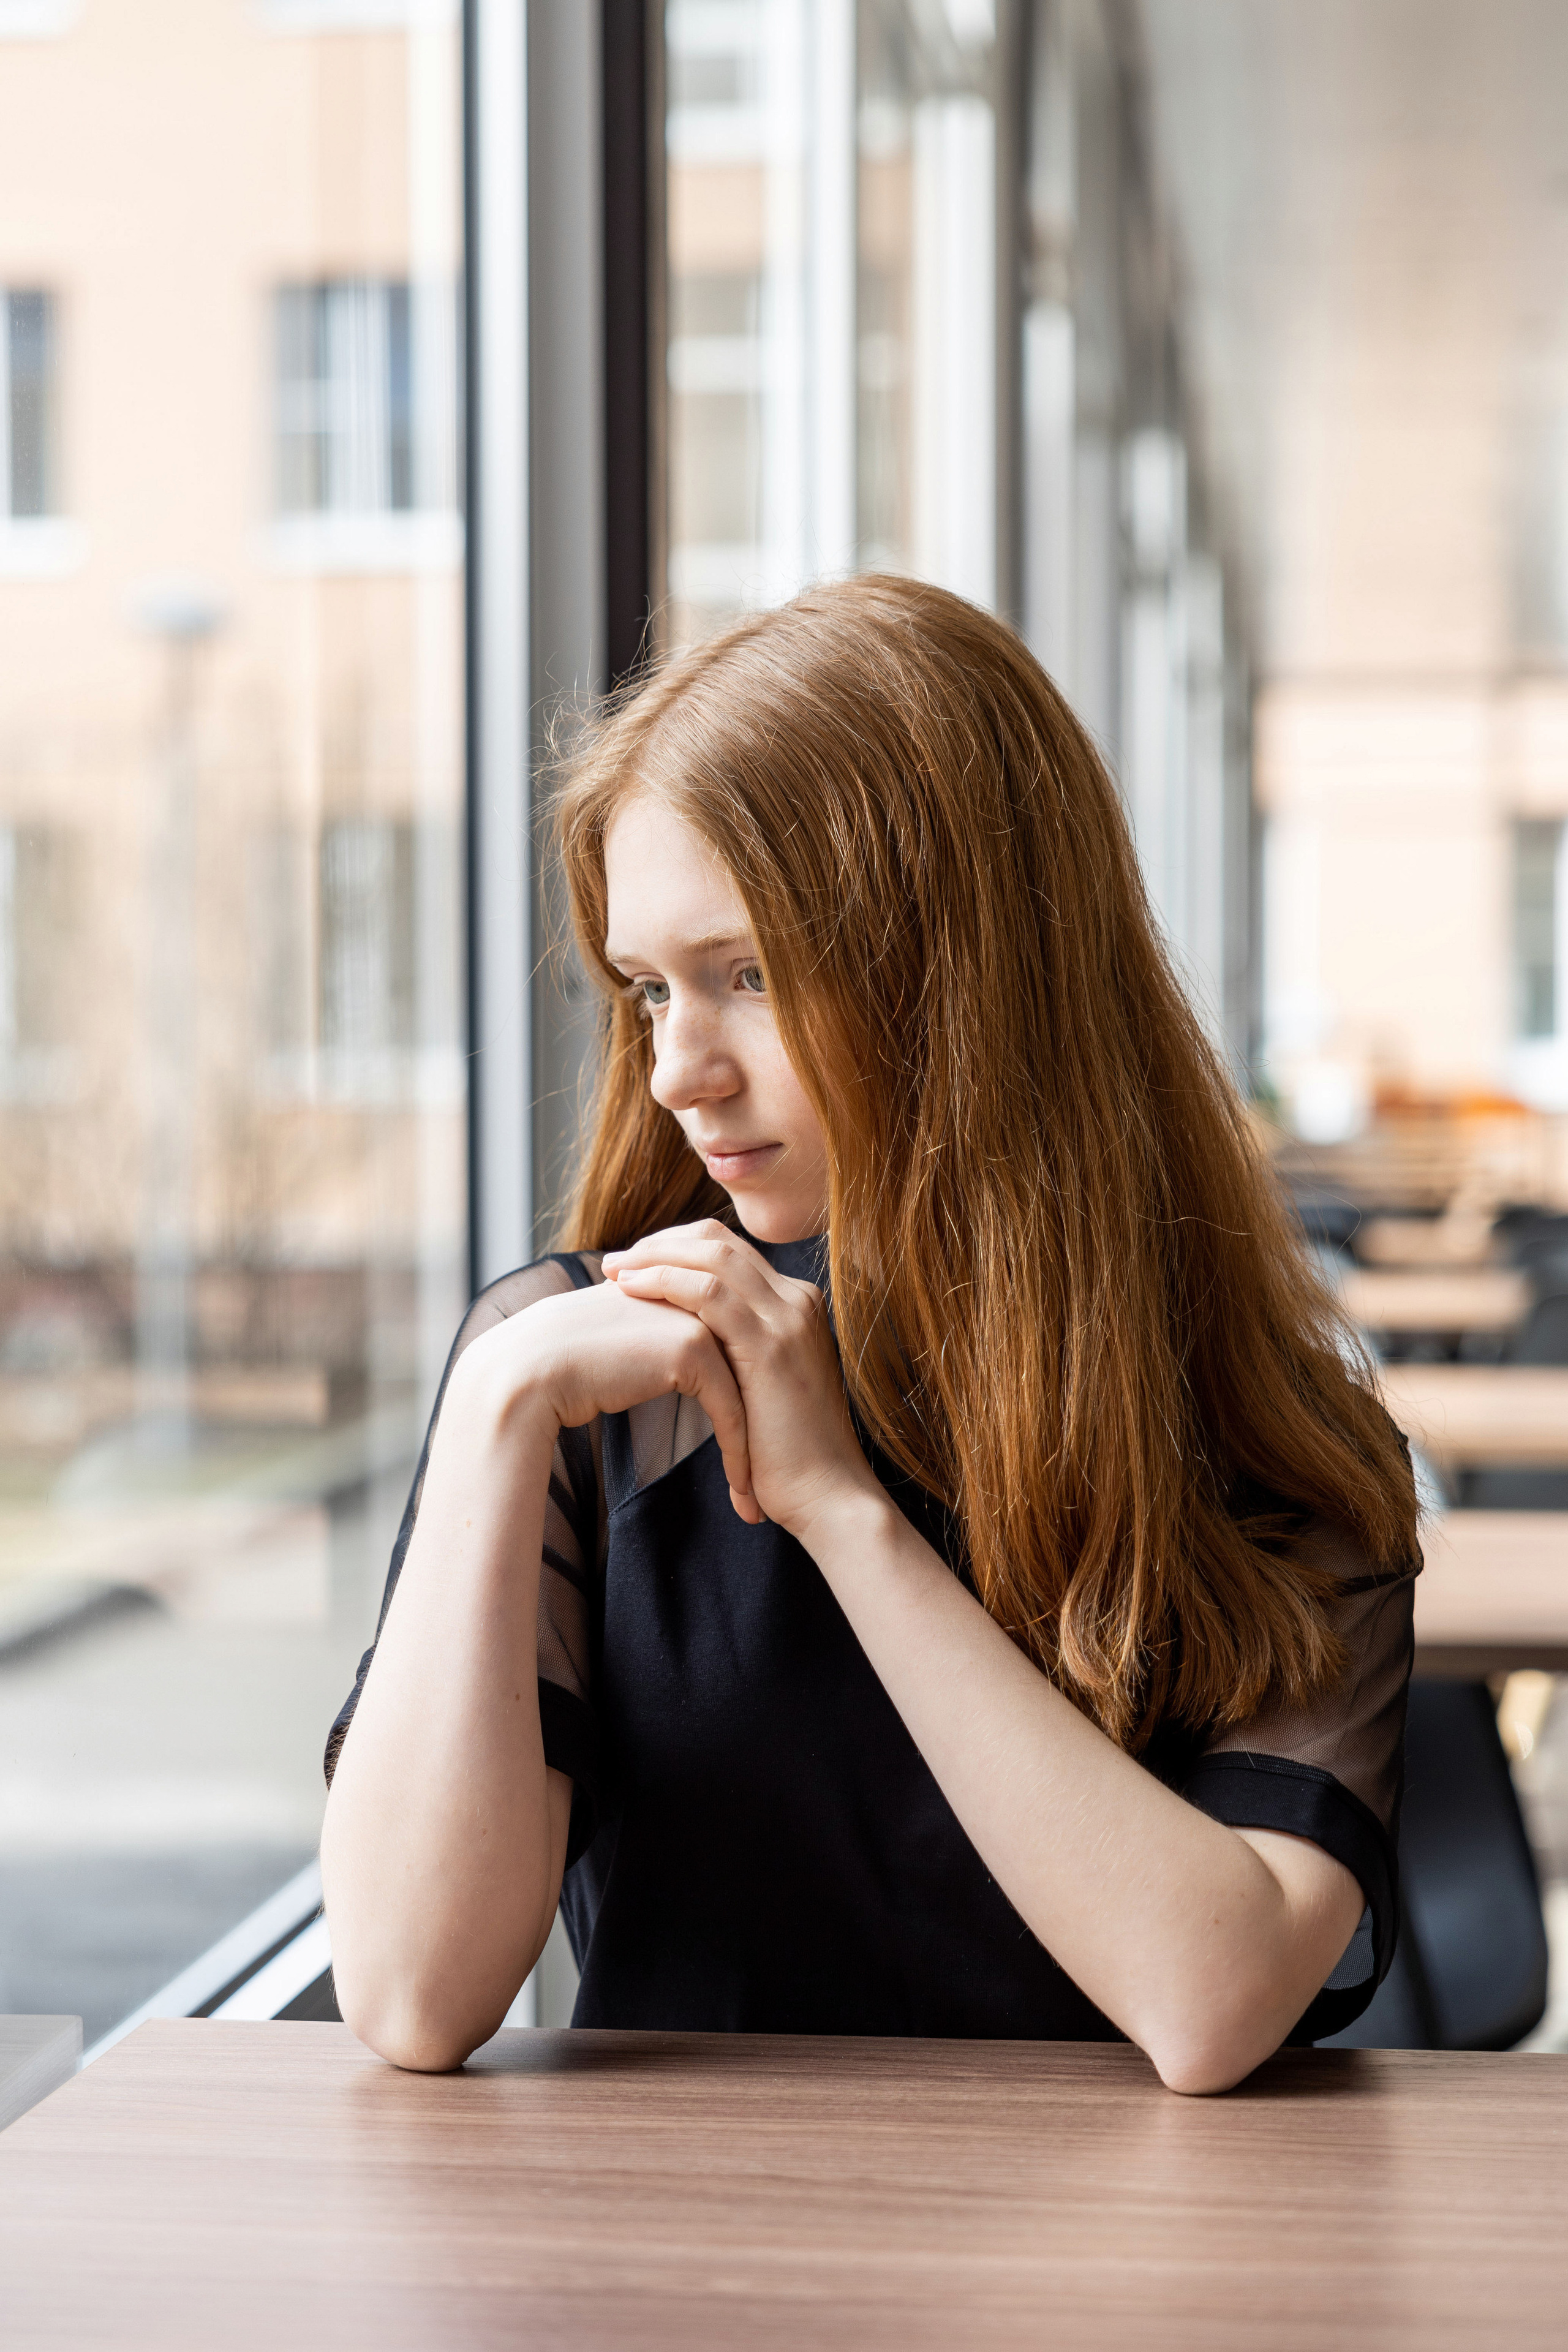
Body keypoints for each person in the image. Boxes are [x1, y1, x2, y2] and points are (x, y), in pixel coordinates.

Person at [320, 575, 1419, 2093]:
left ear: (964, 987)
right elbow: (408, 1993)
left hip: (1120, 2286)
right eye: (647, 991)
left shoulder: (1261, 1433)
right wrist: (494, 1421)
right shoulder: (580, 1377)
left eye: (749, 976)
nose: (675, 1074)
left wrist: (843, 1514)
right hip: (684, 2280)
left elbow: (1209, 2001)